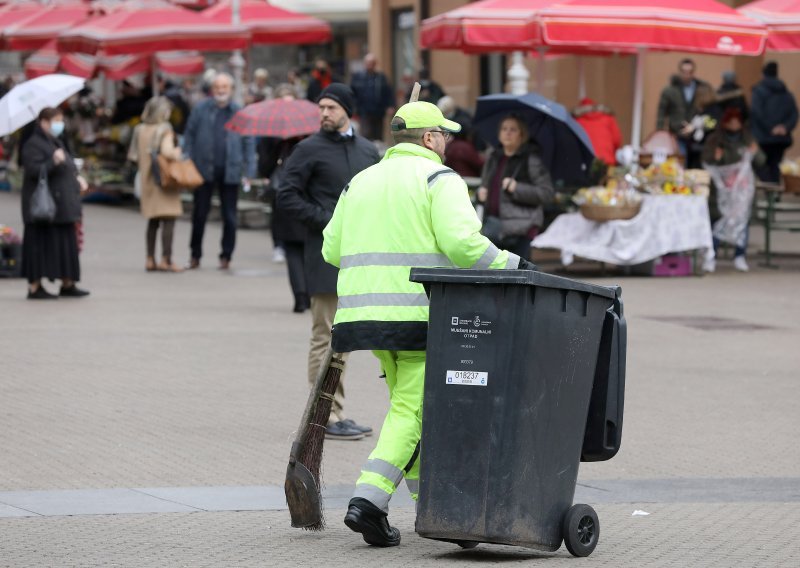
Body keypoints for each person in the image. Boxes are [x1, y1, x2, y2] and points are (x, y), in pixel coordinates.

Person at [322, 101, 531, 547]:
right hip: (419, 315)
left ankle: (435, 511)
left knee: (411, 410)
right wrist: (516, 265)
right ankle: (368, 502)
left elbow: (331, 250)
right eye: (445, 136)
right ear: (431, 138)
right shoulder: (439, 178)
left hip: (365, 316)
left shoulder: (360, 181)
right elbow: (464, 245)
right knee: (412, 411)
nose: (447, 144)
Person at [277, 83, 379, 440]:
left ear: (347, 111)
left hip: (362, 258)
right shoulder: (308, 149)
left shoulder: (368, 151)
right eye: (321, 107)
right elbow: (285, 194)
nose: (324, 113)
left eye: (332, 108)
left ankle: (335, 411)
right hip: (323, 256)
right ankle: (324, 416)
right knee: (325, 334)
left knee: (346, 335)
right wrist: (326, 219)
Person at [183, 72, 256, 270]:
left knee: (230, 217)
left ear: (231, 90)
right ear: (212, 89)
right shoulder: (200, 109)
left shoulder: (239, 112)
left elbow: (249, 141)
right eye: (217, 87)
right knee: (199, 214)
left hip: (230, 172)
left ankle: (226, 256)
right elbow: (189, 135)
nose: (221, 91)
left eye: (224, 87)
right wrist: (186, 158)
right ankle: (195, 255)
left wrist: (249, 171)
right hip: (202, 170)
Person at [20, 107, 89, 300]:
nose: (60, 125)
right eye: (56, 121)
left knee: (66, 244)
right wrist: (53, 162)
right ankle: (35, 286)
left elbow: (67, 164)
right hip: (45, 207)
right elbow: (34, 170)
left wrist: (77, 179)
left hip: (62, 205)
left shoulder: (55, 141)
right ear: (43, 122)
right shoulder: (33, 144)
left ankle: (68, 282)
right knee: (40, 245)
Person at [258, 84, 309, 313]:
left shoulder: (310, 135)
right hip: (282, 194)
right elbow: (263, 168)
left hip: (307, 195)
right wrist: (277, 145)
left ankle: (309, 291)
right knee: (292, 246)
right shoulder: (270, 137)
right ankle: (300, 295)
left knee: (309, 246)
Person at [475, 115, 554, 260]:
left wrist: (517, 188)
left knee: (519, 278)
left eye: (513, 129)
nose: (508, 133)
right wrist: (481, 194)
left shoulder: (531, 160)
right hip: (495, 228)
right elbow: (486, 185)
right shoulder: (493, 158)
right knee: (495, 277)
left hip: (521, 230)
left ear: (522, 135)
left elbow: (546, 193)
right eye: (504, 129)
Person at [702, 108, 765, 273]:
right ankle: (711, 256)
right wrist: (716, 157)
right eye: (731, 121)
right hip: (721, 192)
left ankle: (739, 255)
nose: (734, 124)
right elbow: (707, 162)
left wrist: (755, 152)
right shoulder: (715, 140)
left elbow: (761, 161)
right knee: (717, 223)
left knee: (741, 222)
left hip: (741, 192)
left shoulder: (747, 139)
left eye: (737, 121)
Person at [128, 96, 185, 273]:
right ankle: (166, 259)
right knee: (169, 218)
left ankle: (150, 259)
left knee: (153, 220)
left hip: (147, 180)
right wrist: (177, 152)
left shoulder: (140, 129)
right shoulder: (164, 129)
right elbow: (168, 152)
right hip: (164, 180)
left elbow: (133, 155)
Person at [656, 59, 714, 168]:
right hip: (677, 133)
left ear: (693, 72)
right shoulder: (670, 91)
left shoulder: (700, 89)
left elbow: (710, 114)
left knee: (697, 165)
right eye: (684, 72)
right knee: (680, 163)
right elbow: (661, 113)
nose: (687, 75)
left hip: (697, 135)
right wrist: (660, 133)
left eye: (690, 72)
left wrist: (702, 127)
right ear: (680, 72)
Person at [751, 61, 798, 184]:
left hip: (763, 137)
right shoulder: (787, 94)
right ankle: (774, 190)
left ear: (763, 74)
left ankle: (769, 189)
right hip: (781, 139)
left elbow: (757, 113)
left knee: (760, 164)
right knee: (775, 165)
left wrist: (771, 128)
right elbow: (794, 114)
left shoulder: (759, 92)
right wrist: (785, 128)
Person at [350, 53, 394, 141]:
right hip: (364, 111)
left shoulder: (381, 77)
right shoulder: (358, 77)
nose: (370, 65)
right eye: (368, 63)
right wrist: (354, 107)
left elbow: (388, 92)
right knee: (366, 134)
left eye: (372, 63)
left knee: (378, 135)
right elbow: (352, 93)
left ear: (375, 64)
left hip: (378, 111)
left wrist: (390, 105)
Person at [572, 97, 622, 166]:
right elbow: (617, 140)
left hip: (586, 162)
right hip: (607, 160)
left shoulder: (576, 121)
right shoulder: (608, 118)